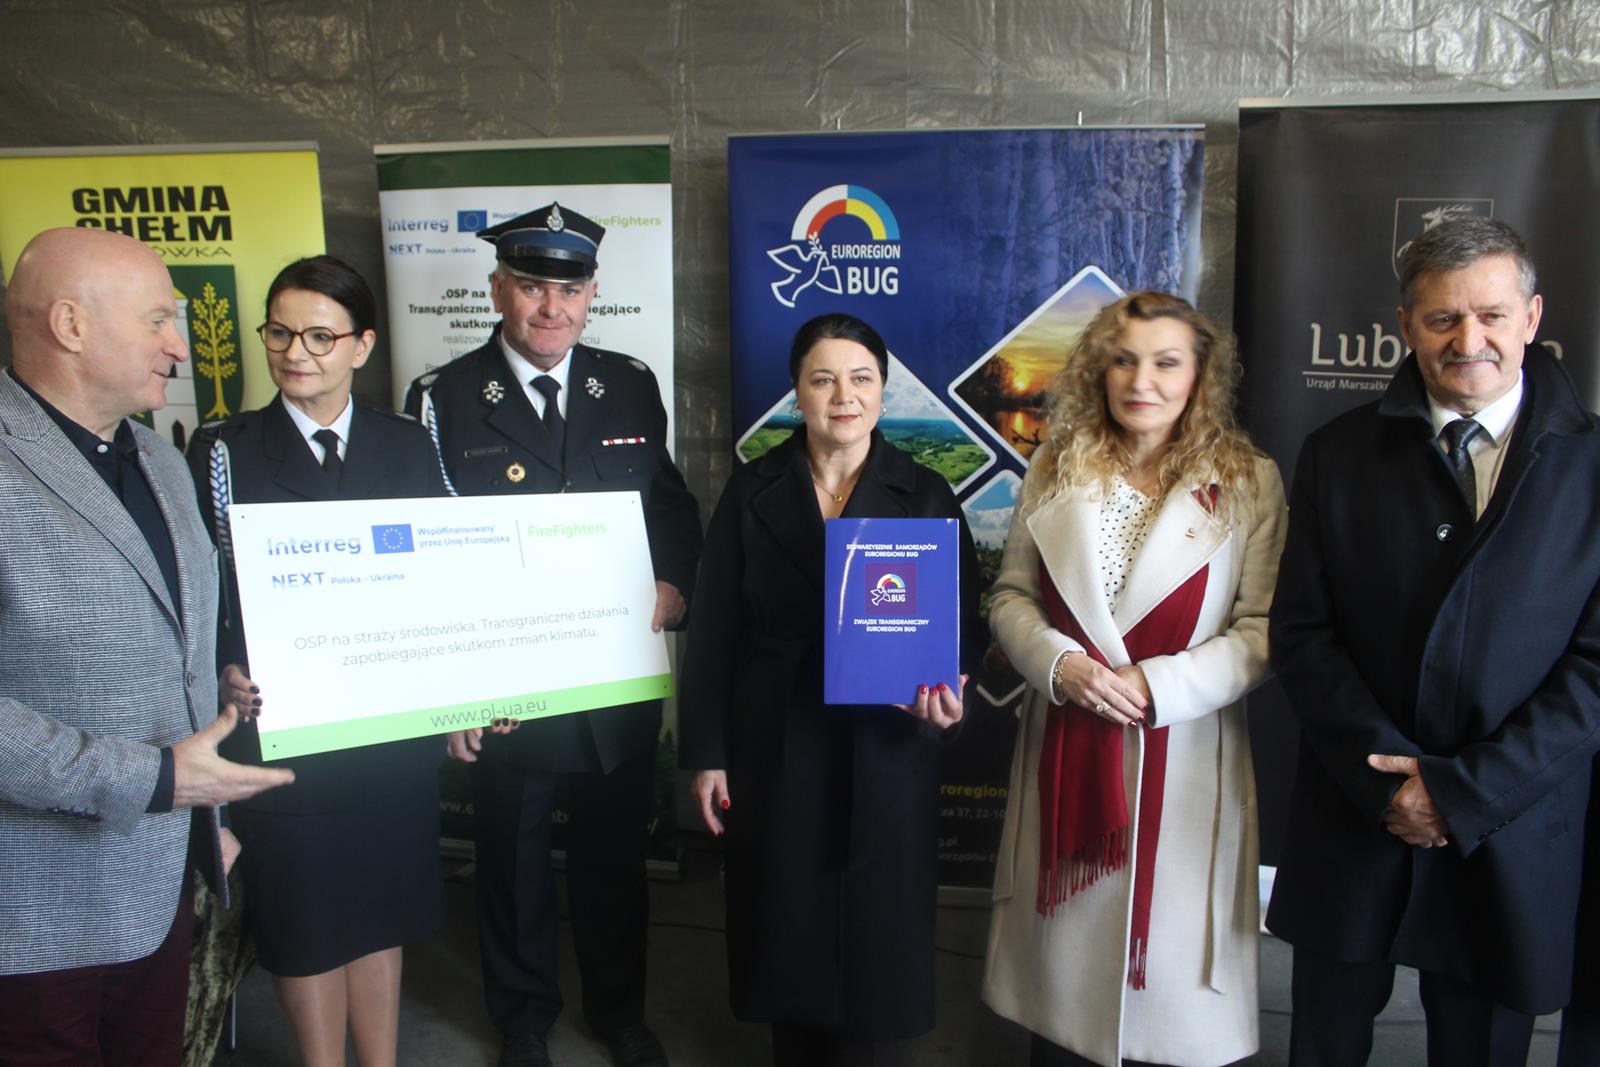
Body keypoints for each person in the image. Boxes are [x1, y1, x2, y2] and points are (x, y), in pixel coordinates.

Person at [1266, 216, 1600, 1067]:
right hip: (1357, 812)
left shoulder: (1595, 466)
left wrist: (1464, 792)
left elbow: (1595, 671)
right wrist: (1391, 784)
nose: (1468, 340)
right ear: (1406, 325)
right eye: (1443, 318)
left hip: (1511, 823)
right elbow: (1303, 634)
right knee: (1324, 1045)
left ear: (1532, 317)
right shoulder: (1336, 453)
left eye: (1491, 315)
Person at [405, 202, 701, 1067]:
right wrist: (453, 681)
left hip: (613, 671)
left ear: (592, 294)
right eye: (532, 286)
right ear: (498, 289)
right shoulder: (444, 398)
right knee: (512, 855)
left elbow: (667, 502)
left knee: (615, 850)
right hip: (510, 677)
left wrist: (675, 581)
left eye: (569, 291)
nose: (551, 308)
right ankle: (523, 1018)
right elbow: (426, 546)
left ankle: (620, 1011)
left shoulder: (629, 384)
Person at [0, 227, 292, 1064]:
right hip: (35, 920)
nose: (179, 346)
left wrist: (213, 696)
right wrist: (159, 778)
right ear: (71, 324)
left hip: (162, 890)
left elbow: (168, 642)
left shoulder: (162, 462)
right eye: (158, 320)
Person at [979, 291, 1286, 1067]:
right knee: (1062, 1024)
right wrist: (1058, 662)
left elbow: (1262, 630)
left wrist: (1159, 686)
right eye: (1123, 359)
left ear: (1200, 376)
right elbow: (1009, 598)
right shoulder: (1055, 464)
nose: (1141, 380)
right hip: (1065, 754)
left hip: (1184, 766)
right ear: (1100, 369)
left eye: (1165, 362)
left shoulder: (1250, 481)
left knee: (1165, 1022)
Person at [679, 312, 981, 1067]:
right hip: (777, 741)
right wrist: (708, 752)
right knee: (787, 925)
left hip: (888, 743)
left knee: (877, 940)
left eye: (860, 379)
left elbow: (962, 625)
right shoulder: (752, 489)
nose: (843, 396)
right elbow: (712, 628)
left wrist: (950, 694)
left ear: (882, 391)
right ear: (797, 392)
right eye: (823, 379)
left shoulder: (924, 494)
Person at [186, 255, 448, 1067]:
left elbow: (445, 579)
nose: (295, 351)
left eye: (320, 336)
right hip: (282, 735)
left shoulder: (408, 445)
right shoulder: (222, 452)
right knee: (306, 925)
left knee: (379, 915)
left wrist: (463, 694)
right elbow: (197, 594)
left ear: (362, 345)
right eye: (280, 332)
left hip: (388, 732)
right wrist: (223, 669)